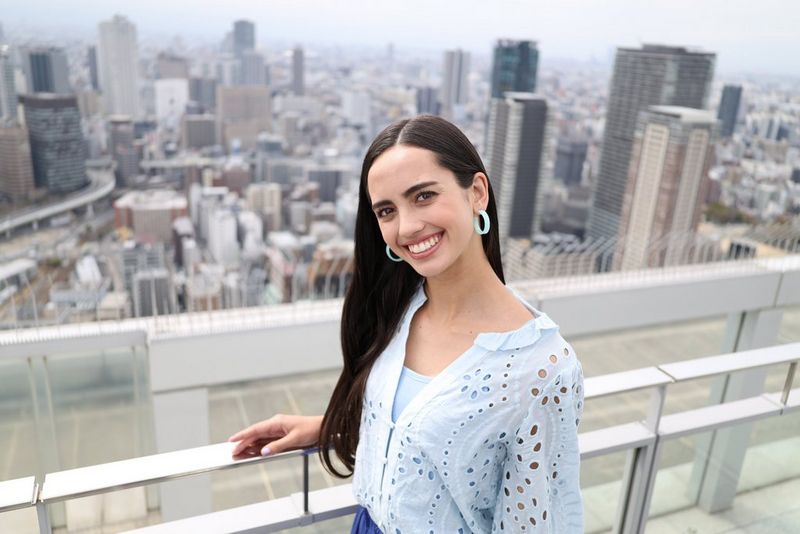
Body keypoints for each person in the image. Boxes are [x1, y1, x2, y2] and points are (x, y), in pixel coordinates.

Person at [229, 115, 585, 533]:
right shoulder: (400, 307)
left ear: (477, 193)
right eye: (386, 210)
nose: (407, 227)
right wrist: (326, 428)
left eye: (424, 196)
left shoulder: (542, 369)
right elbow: (417, 433)